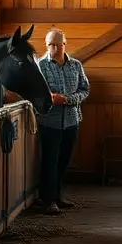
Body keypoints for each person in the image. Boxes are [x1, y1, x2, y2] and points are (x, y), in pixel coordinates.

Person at [35, 27, 89, 215]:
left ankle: (57, 195)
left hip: (72, 121)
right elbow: (36, 92)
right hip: (49, 121)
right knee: (50, 160)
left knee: (64, 160)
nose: (55, 48)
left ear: (65, 45)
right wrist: (50, 98)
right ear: (46, 45)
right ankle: (47, 200)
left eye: (59, 44)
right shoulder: (40, 66)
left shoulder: (76, 65)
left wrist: (67, 100)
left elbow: (85, 89)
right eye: (51, 44)